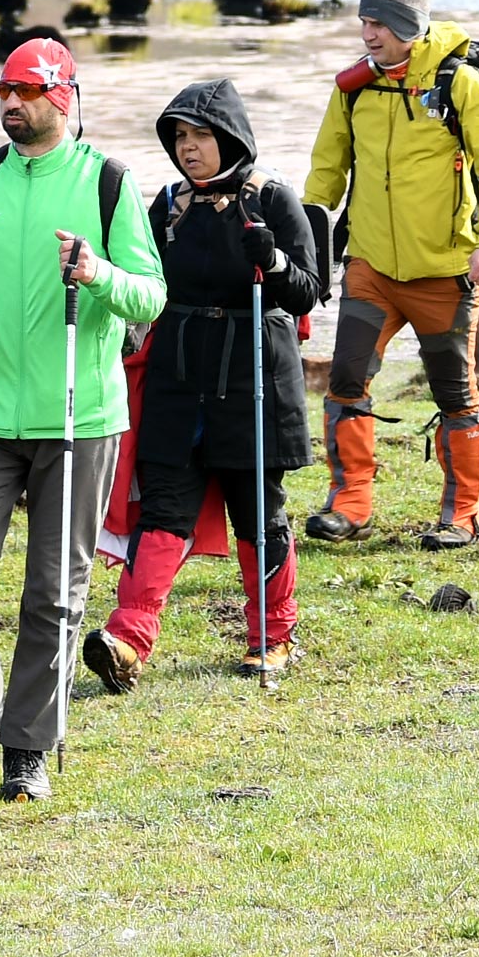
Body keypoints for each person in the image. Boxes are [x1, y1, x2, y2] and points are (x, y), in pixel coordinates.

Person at [0, 32, 166, 802]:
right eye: (4, 93)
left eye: (27, 92)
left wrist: (96, 271)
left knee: (53, 589)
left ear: (64, 96)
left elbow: (150, 294)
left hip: (80, 417)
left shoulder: (108, 182)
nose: (13, 106)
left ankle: (28, 745)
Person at [86, 78, 329, 690]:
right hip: (178, 376)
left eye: (200, 136)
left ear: (230, 137)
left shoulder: (273, 198)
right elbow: (137, 283)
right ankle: (128, 639)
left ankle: (273, 634)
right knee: (164, 510)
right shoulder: (166, 203)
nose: (188, 148)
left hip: (255, 376)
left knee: (258, 513)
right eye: (179, 137)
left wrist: (271, 262)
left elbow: (308, 290)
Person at [303, 0, 479, 553]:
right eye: (364, 22)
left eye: (378, 23)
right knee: (347, 379)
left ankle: (461, 517)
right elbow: (328, 167)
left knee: (454, 394)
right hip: (370, 265)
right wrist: (303, 224)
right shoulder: (355, 88)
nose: (367, 33)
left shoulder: (460, 84)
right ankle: (350, 504)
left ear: (408, 26)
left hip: (445, 271)